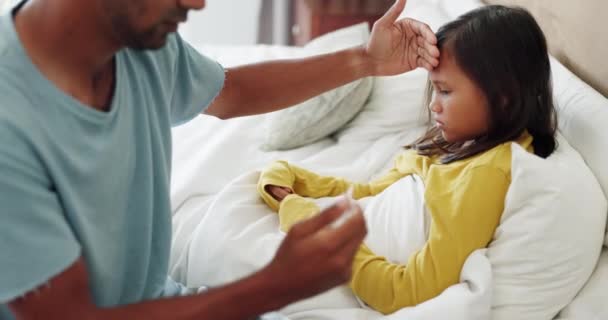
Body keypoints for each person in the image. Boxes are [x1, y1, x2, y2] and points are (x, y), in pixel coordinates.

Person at [0, 0, 440, 318]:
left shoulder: (139, 45)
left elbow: (231, 92)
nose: (196, 3)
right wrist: (273, 285)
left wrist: (364, 60)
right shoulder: (9, 124)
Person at [259, 5, 557, 315]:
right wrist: (300, 183)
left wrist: (312, 226)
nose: (433, 105)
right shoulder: (464, 144)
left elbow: (407, 291)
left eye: (444, 91)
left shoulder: (486, 173)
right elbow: (373, 191)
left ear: (503, 96)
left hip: (347, 259)